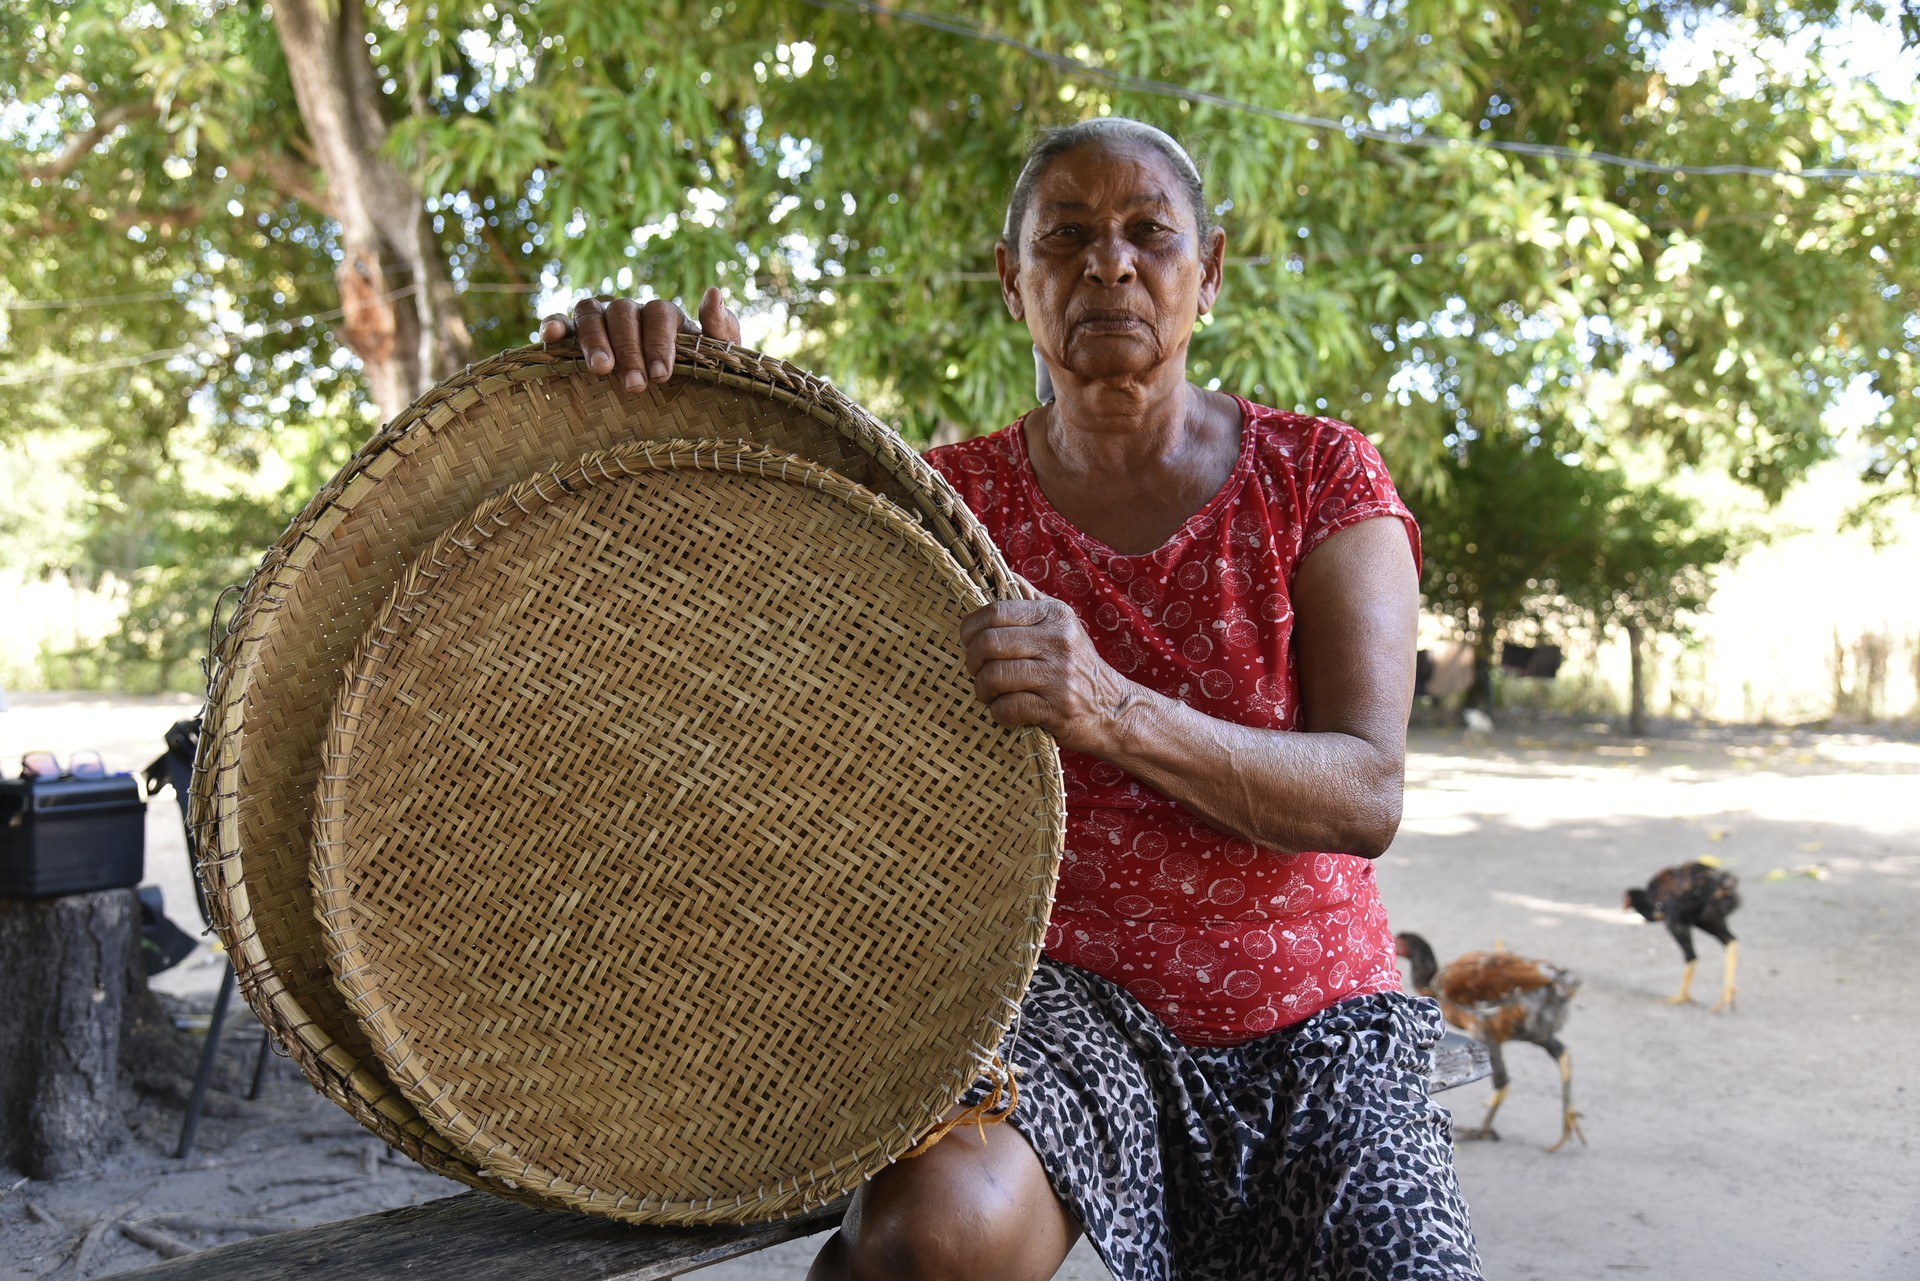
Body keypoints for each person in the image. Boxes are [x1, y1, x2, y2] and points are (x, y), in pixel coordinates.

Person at [542, 117, 1481, 1281]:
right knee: (931, 1241)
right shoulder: (949, 505)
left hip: (1309, 1013)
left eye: (1149, 233)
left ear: (1212, 268)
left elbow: (1366, 794)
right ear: (1012, 277)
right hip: (1052, 1005)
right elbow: (747, 658)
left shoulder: (1320, 476)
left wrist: (1110, 709)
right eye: (1067, 237)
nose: (1109, 264)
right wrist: (684, 407)